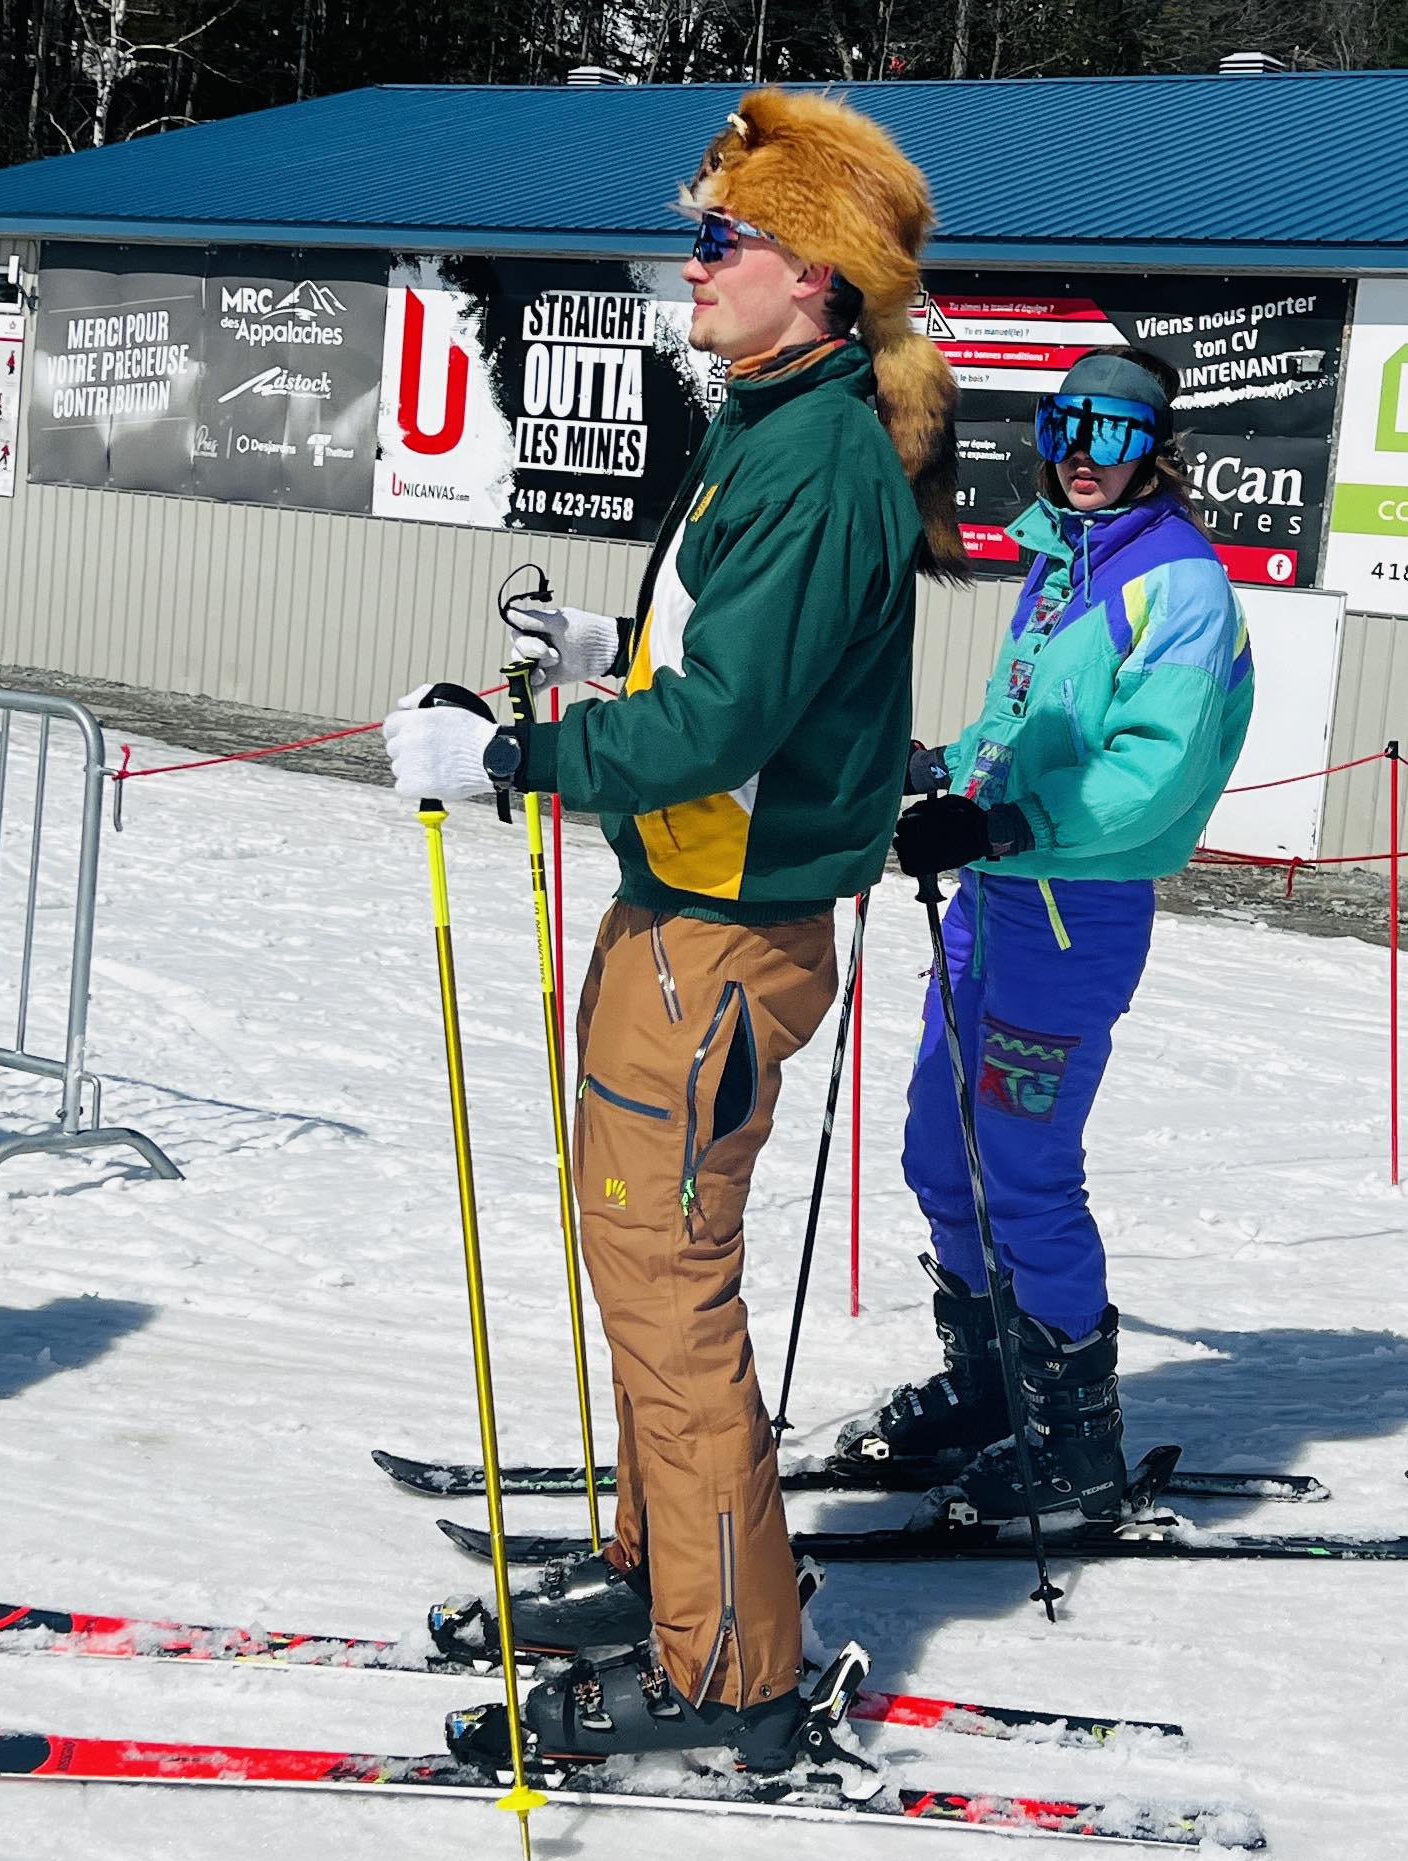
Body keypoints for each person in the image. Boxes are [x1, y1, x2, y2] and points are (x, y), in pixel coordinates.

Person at [383, 86, 963, 1769]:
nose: (694, 263)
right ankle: (665, 1575)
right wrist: (603, 653)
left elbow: (726, 727)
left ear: (817, 275)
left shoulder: (819, 459)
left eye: (724, 238)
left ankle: (733, 1672)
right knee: (644, 1273)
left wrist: (513, 759)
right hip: (678, 915)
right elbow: (730, 665)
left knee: (670, 1291)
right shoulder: (767, 427)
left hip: (724, 935)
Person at [833, 346, 1255, 1527]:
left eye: (1109, 434)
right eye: (1063, 427)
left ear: (1154, 450)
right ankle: (991, 1386)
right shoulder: (1064, 560)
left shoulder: (1177, 586)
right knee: (938, 1144)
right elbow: (1019, 718)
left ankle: (1072, 1442)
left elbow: (1151, 772)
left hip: (1075, 910)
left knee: (1020, 1165)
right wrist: (946, 773)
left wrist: (1004, 821)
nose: (1080, 455)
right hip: (997, 891)